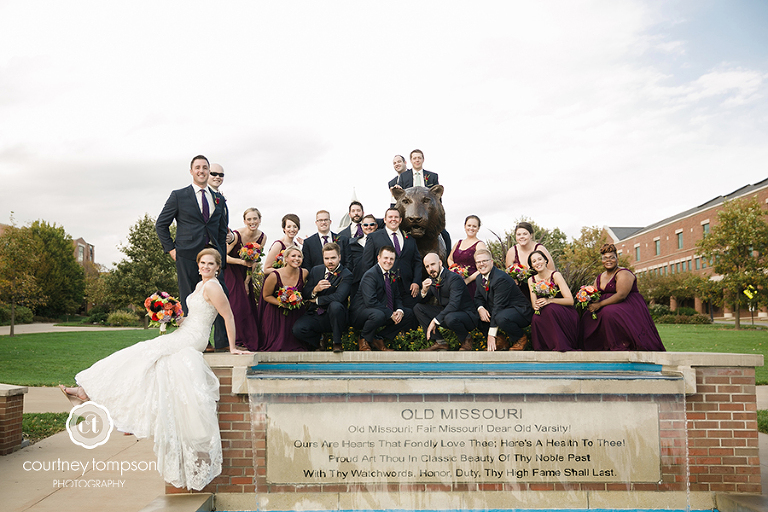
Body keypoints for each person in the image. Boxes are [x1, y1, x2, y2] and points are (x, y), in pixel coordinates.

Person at [59, 249, 251, 491]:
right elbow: (195, 315)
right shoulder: (200, 285)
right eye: (202, 262)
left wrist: (232, 347)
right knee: (147, 358)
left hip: (194, 338)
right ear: (198, 264)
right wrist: (174, 318)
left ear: (217, 267)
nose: (205, 266)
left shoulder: (213, 286)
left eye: (210, 263)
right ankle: (90, 393)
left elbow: (228, 316)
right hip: (185, 330)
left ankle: (86, 392)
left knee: (144, 352)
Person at [156, 155, 230, 350]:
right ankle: (199, 342)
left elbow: (221, 230)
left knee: (221, 294)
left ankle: (223, 342)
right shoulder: (179, 196)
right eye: (197, 167)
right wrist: (171, 250)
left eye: (205, 167)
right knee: (189, 298)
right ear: (191, 171)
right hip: (187, 255)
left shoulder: (219, 198)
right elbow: (161, 224)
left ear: (208, 171)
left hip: (213, 257)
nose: (201, 171)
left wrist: (221, 257)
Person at [579, 244, 665, 351]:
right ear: (602, 261)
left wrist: (600, 304)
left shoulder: (623, 273)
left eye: (611, 257)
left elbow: (621, 295)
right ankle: (595, 347)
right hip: (606, 305)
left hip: (626, 305)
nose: (608, 260)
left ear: (617, 259)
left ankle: (619, 345)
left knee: (608, 312)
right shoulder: (599, 277)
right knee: (587, 316)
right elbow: (595, 294)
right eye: (605, 258)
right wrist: (589, 300)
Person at [351, 246, 414, 351]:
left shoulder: (392, 275)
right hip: (361, 313)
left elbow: (397, 297)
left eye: (391, 259)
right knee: (379, 315)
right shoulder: (370, 275)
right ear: (378, 258)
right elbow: (370, 301)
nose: (388, 261)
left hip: (380, 310)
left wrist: (399, 310)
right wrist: (390, 314)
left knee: (408, 314)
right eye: (385, 258)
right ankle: (363, 338)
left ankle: (378, 338)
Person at [293, 243, 353, 353]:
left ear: (339, 257)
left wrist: (317, 300)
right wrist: (315, 290)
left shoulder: (346, 274)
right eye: (326, 258)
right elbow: (305, 292)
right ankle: (318, 342)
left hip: (336, 316)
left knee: (335, 305)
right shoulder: (316, 270)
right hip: (316, 313)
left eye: (333, 258)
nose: (330, 261)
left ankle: (337, 342)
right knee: (297, 329)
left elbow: (339, 297)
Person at [362, 207, 422, 311]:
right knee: (387, 315)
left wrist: (416, 282)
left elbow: (417, 262)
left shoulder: (410, 239)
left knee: (409, 314)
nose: (393, 219)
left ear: (400, 220)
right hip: (384, 286)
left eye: (396, 217)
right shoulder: (374, 237)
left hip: (407, 287)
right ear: (385, 220)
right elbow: (367, 263)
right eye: (390, 217)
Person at [416, 253, 479, 352]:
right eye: (427, 266)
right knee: (418, 308)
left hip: (466, 315)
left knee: (449, 317)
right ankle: (440, 343)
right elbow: (422, 301)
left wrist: (435, 320)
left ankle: (466, 339)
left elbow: (454, 304)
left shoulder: (454, 278)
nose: (430, 269)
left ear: (440, 263)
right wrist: (424, 290)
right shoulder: (431, 280)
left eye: (432, 264)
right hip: (448, 314)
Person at [474, 248, 533, 351]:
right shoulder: (479, 278)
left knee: (501, 318)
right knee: (475, 314)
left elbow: (498, 306)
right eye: (478, 262)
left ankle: (520, 338)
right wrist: (480, 309)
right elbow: (478, 297)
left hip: (519, 311)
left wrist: (491, 334)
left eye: (484, 261)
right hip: (502, 309)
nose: (481, 264)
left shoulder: (500, 278)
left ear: (491, 262)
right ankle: (500, 341)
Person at [223, 207, 266, 351]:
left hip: (245, 272)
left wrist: (247, 281)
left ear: (259, 220)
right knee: (237, 305)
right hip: (231, 270)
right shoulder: (236, 235)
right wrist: (241, 262)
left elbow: (254, 261)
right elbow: (223, 256)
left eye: (255, 219)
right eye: (249, 219)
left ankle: (248, 340)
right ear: (244, 221)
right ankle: (236, 340)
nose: (252, 222)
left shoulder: (262, 237)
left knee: (247, 305)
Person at [258, 245, 309, 351]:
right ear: (286, 258)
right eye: (293, 256)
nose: (296, 259)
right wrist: (282, 303)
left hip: (296, 312)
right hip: (276, 313)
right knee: (276, 347)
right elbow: (266, 296)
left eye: (299, 256)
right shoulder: (274, 275)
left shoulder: (304, 273)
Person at [527, 250, 578, 352]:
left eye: (540, 259)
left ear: (546, 260)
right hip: (545, 311)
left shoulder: (555, 275)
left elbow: (570, 301)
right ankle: (543, 348)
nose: (537, 263)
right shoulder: (531, 280)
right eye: (534, 261)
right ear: (532, 266)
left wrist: (550, 300)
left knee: (549, 309)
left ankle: (560, 345)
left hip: (564, 311)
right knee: (536, 317)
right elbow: (534, 303)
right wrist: (536, 306)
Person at [504, 221, 555, 300]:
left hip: (540, 292)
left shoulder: (540, 249)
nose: (522, 237)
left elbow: (552, 272)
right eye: (519, 234)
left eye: (525, 234)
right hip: (520, 294)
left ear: (531, 235)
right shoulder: (512, 252)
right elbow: (508, 274)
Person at [447, 215, 487, 298]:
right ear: (465, 226)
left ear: (478, 228)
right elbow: (450, 259)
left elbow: (484, 266)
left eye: (474, 226)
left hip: (472, 283)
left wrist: (468, 280)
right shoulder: (458, 243)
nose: (471, 228)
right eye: (469, 225)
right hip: (456, 281)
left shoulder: (480, 245)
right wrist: (456, 270)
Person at [346, 214, 378, 301]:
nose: (368, 227)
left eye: (372, 224)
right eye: (365, 225)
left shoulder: (382, 242)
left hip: (376, 280)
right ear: (361, 226)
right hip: (357, 281)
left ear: (376, 226)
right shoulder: (352, 243)